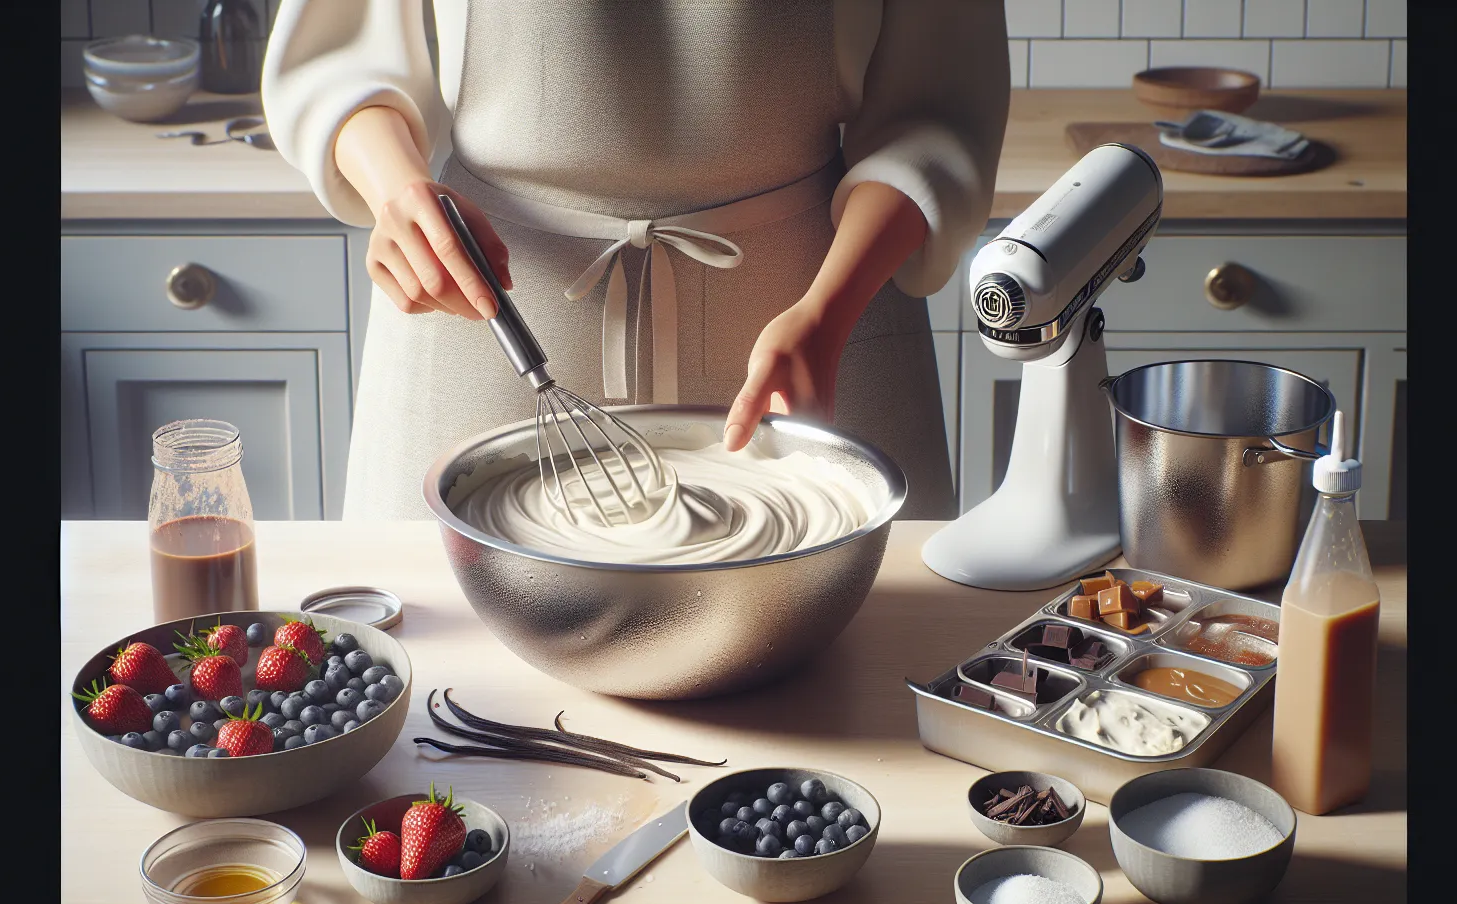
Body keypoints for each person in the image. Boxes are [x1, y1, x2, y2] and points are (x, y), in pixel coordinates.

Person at [263, 1, 1007, 521]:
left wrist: (827, 313)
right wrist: (397, 192)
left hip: (813, 327)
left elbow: (935, 110)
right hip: (484, 316)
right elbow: (337, 57)